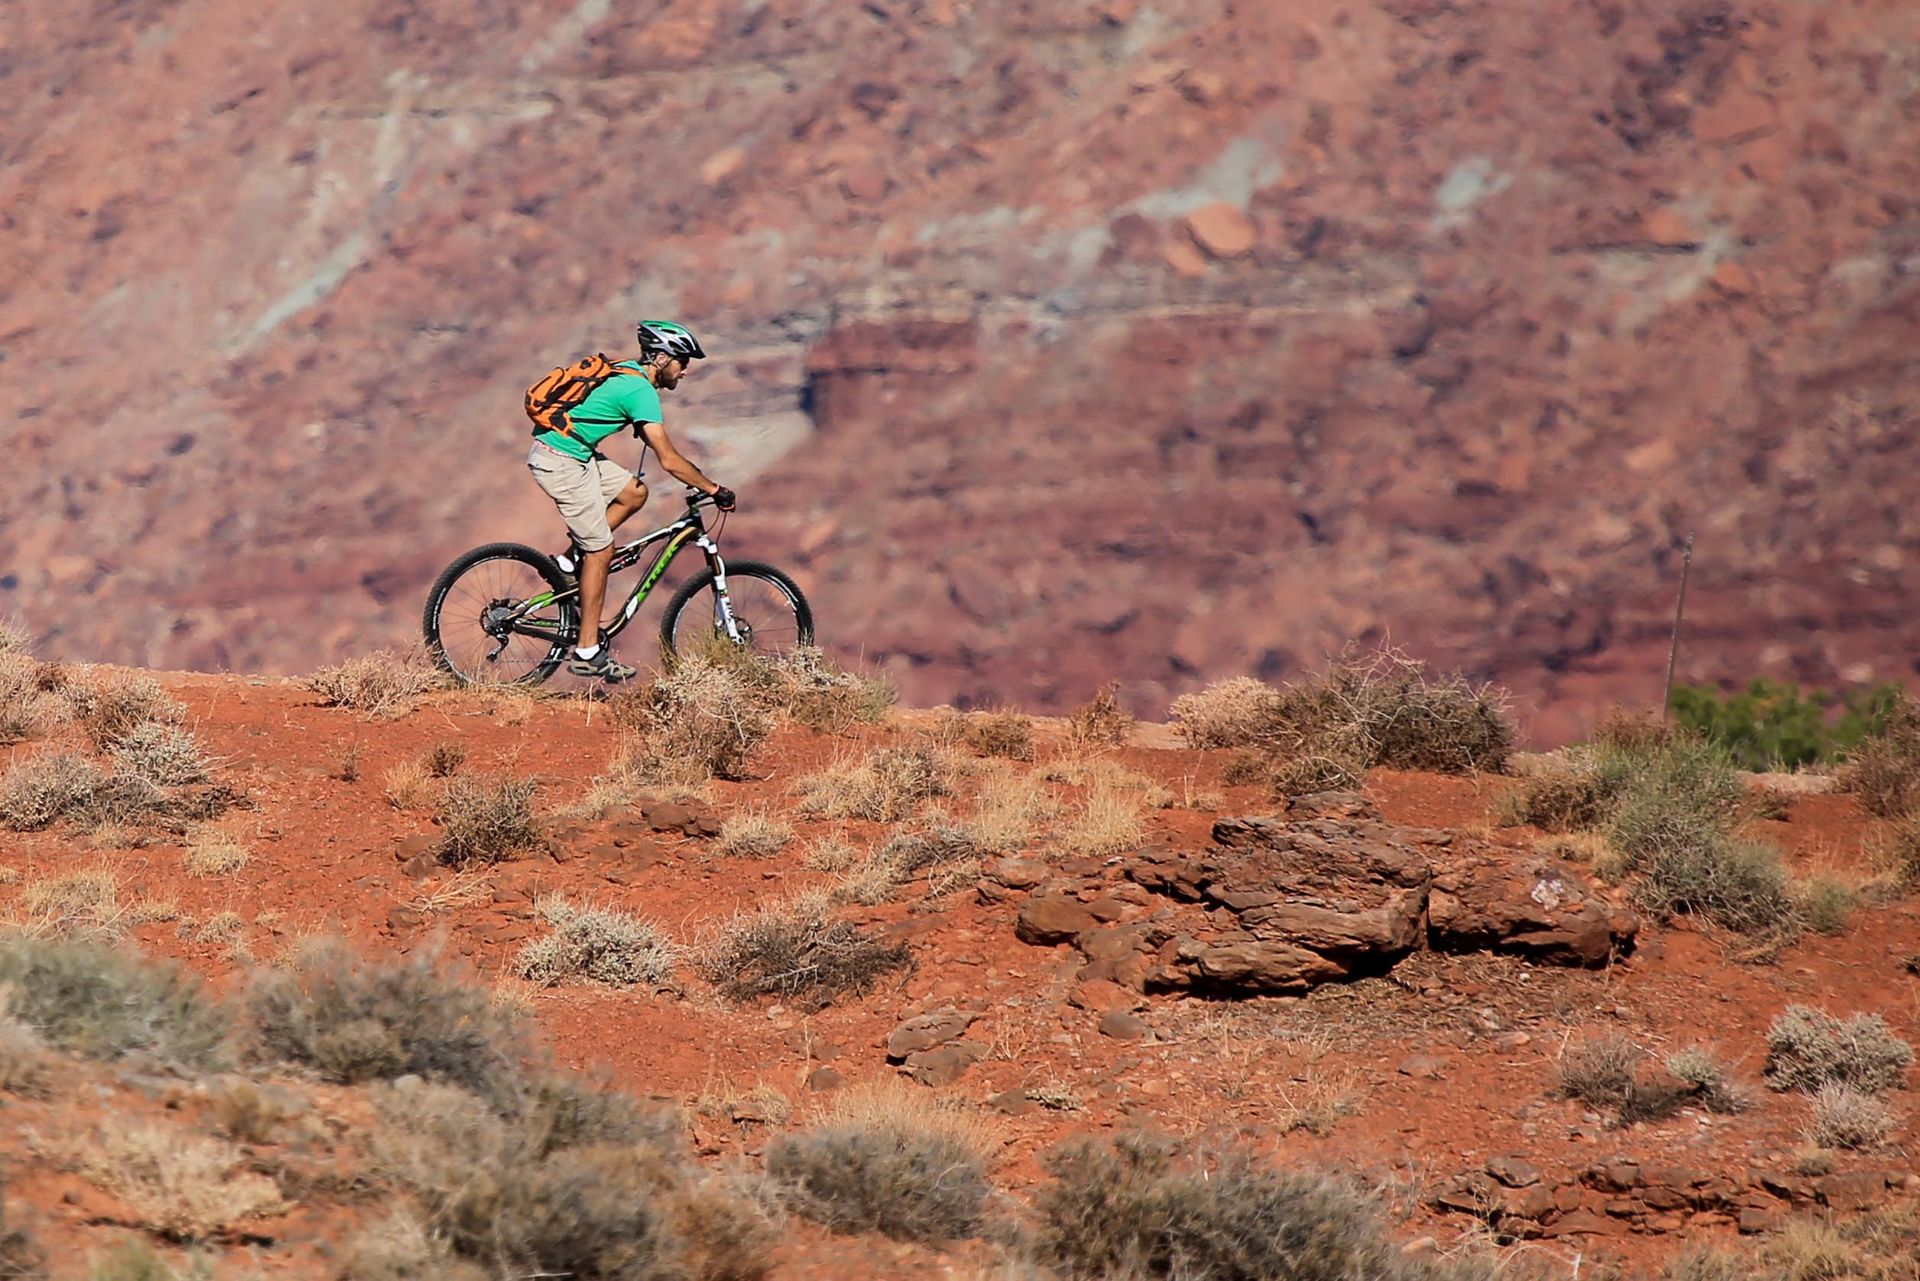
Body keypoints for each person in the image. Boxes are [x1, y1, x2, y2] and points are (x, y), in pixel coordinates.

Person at [526, 320, 735, 682]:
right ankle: (587, 651)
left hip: (576, 455)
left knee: (633, 492)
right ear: (662, 358)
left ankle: (570, 559)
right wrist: (714, 489)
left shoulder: (628, 372)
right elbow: (668, 460)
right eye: (681, 362)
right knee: (602, 551)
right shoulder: (640, 392)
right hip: (561, 461)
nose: (684, 372)